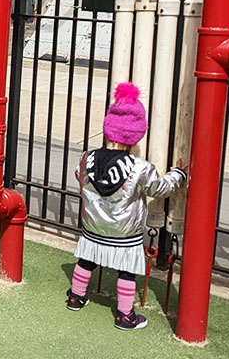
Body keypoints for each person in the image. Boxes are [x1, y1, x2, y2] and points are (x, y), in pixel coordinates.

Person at [66, 81, 188, 330]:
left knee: (87, 260)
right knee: (126, 271)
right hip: (124, 232)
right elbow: (160, 189)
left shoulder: (87, 157)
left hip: (93, 226)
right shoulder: (140, 167)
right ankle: (125, 316)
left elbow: (81, 181)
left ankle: (76, 297)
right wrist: (178, 175)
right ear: (136, 134)